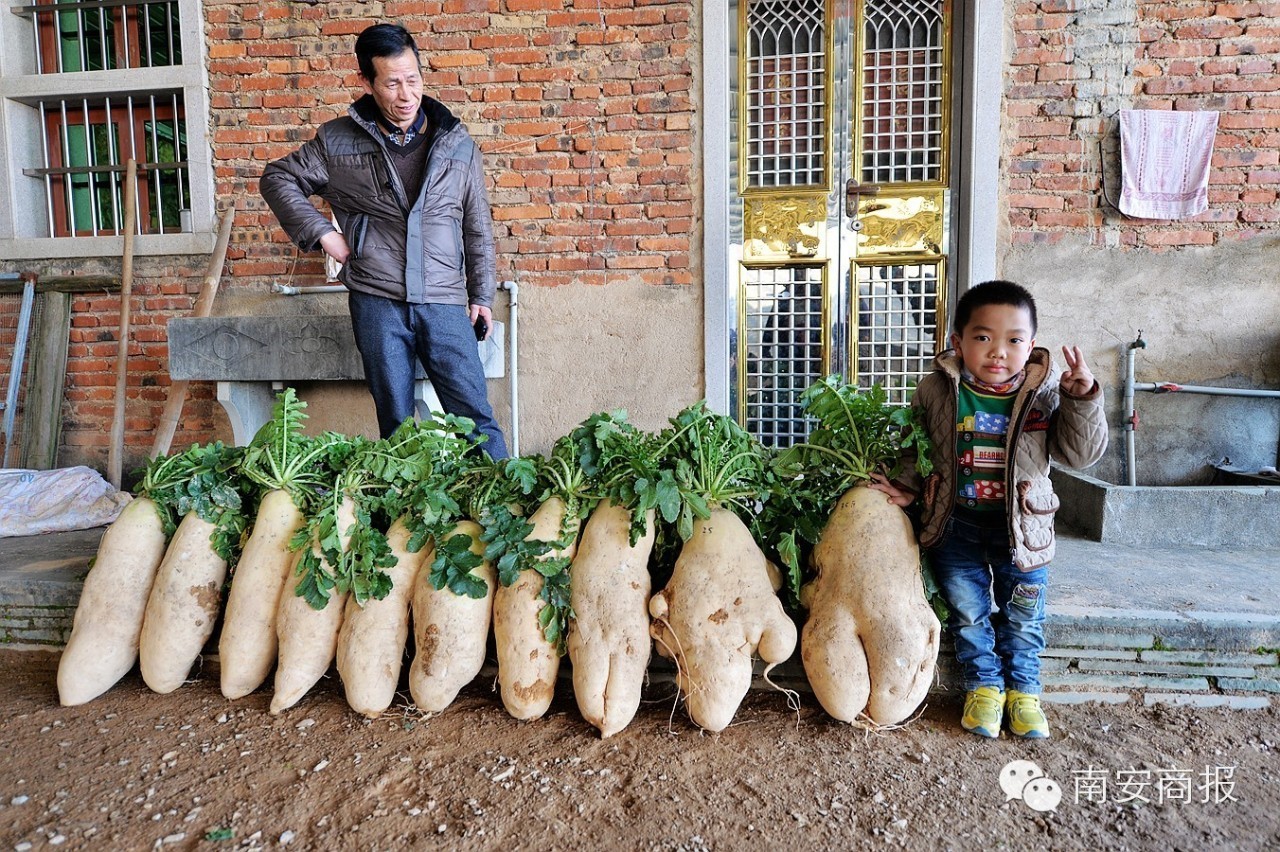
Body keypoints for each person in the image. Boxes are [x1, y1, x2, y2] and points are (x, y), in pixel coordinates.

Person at [870, 280, 1107, 739]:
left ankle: (1024, 691)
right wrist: (907, 489)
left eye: (1013, 340)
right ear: (958, 342)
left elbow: (1080, 455)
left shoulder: (1046, 396)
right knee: (968, 613)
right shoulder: (937, 390)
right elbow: (916, 449)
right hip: (954, 525)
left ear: (1031, 345)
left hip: (1023, 532)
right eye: (983, 338)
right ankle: (984, 686)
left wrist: (1082, 399)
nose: (998, 352)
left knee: (1023, 612)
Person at [260, 23, 508, 458]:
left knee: (474, 419)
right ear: (367, 83)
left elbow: (476, 224)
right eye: (392, 83)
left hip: (445, 298)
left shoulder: (457, 142)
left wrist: (481, 294)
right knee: (396, 423)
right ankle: (408, 518)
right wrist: (325, 235)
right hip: (377, 299)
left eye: (412, 79)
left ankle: (498, 511)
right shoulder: (337, 141)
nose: (405, 93)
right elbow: (278, 177)